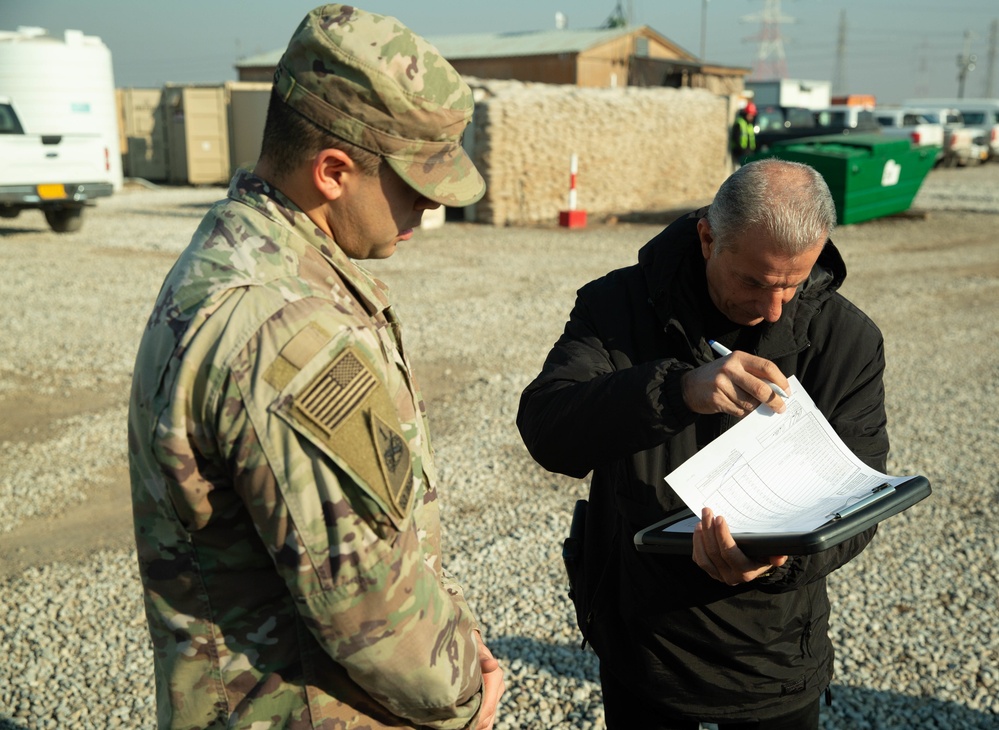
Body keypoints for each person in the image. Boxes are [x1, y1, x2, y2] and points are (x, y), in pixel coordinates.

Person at [128, 5, 504, 728]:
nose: (427, 212)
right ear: (333, 171)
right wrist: (464, 693)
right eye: (414, 188)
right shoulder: (282, 332)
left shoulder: (243, 257)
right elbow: (371, 610)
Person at [517, 159, 889, 729]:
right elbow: (548, 431)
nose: (773, 308)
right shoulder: (616, 308)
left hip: (774, 661)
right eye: (756, 282)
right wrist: (675, 391)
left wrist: (774, 563)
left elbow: (858, 502)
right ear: (708, 237)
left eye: (793, 284)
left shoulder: (847, 340)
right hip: (643, 651)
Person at [730, 101, 757, 168]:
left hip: (748, 152)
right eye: (750, 115)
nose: (751, 117)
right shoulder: (740, 123)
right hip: (739, 153)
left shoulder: (749, 125)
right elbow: (736, 138)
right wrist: (740, 149)